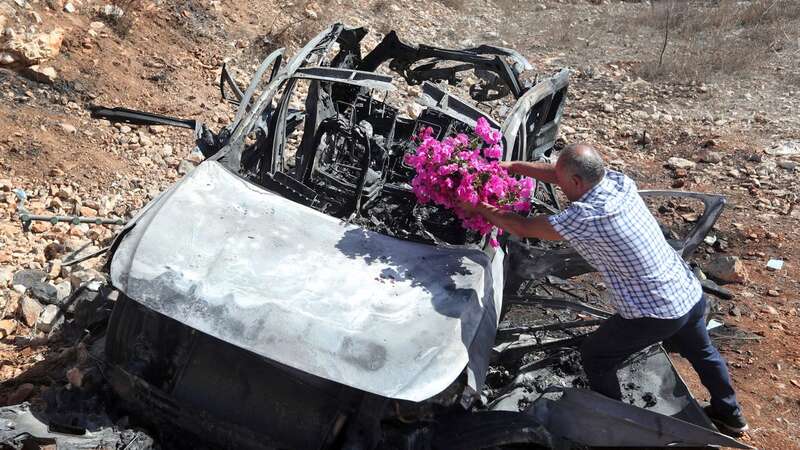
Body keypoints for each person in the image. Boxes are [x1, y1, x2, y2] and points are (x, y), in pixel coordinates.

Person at [461, 143, 748, 435]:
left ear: (575, 181)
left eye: (563, 181)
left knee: (596, 357)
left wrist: (477, 206)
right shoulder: (617, 182)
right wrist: (512, 168)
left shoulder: (586, 217)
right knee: (703, 353)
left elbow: (522, 227)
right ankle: (731, 414)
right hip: (686, 291)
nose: (559, 185)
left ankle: (617, 422)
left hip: (655, 312)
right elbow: (561, 174)